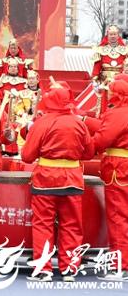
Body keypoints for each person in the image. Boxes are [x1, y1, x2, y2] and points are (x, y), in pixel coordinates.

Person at [21, 88, 94, 282]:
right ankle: (70, 269)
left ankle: (43, 270)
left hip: (46, 180)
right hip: (72, 180)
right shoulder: (78, 123)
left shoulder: (42, 122)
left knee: (43, 225)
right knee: (71, 225)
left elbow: (27, 156)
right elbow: (88, 153)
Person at [84, 76, 128, 281]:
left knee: (118, 217)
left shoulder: (117, 113)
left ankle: (121, 265)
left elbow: (101, 141)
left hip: (119, 169)